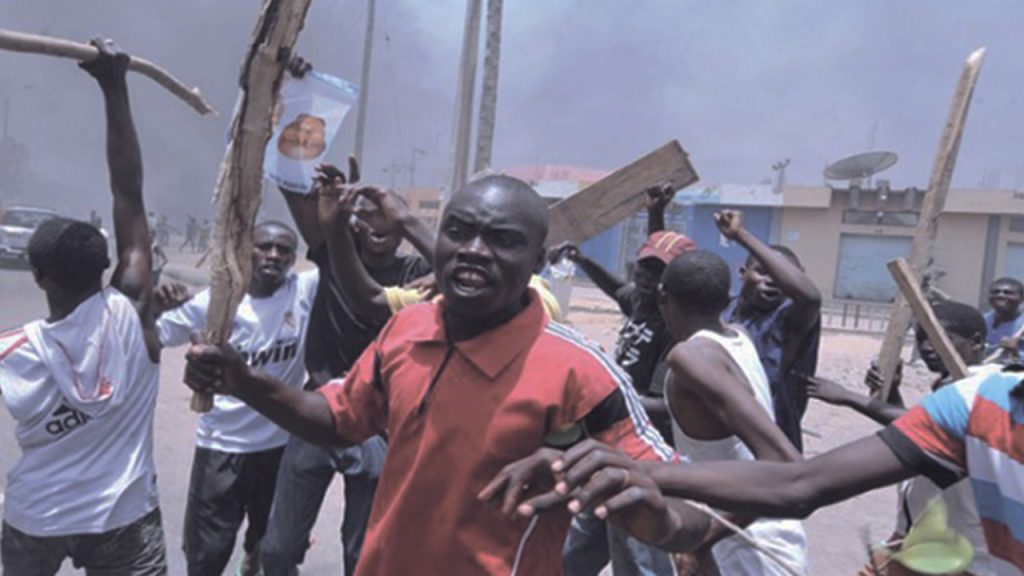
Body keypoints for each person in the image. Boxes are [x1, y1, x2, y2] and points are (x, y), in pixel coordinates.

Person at [182, 174, 708, 575]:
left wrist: (664, 521)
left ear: (537, 259)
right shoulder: (407, 329)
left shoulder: (580, 370)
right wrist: (243, 381)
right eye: (457, 232)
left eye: (501, 239)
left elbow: (682, 496)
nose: (473, 249)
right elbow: (337, 418)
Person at [510, 359, 1024, 575]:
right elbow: (801, 483)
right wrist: (641, 470)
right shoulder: (980, 404)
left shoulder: (693, 357)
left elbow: (786, 466)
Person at [0, 39, 167, 575]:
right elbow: (128, 192)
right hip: (124, 518)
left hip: (35, 519)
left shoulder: (12, 352)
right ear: (106, 267)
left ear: (38, 277)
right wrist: (114, 87)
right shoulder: (132, 309)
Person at [261, 159, 431, 574]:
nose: (377, 224)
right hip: (320, 407)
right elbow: (298, 198)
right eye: (366, 215)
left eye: (387, 216)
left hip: (381, 421)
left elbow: (451, 262)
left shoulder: (420, 273)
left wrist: (410, 222)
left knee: (363, 554)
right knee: (278, 549)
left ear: (402, 227)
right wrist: (300, 161)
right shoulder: (336, 252)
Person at [156, 221, 317, 576]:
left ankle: (253, 558)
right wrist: (154, 307)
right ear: (246, 251)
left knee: (275, 550)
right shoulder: (213, 303)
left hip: (279, 448)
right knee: (207, 556)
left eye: (284, 250)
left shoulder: (302, 291)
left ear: (293, 259)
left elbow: (342, 255)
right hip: (222, 446)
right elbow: (154, 338)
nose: (273, 255)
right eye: (264, 247)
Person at [545, 185, 690, 576]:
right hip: (608, 449)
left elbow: (666, 408)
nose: (646, 278)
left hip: (641, 457)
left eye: (657, 274)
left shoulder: (672, 329)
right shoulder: (641, 304)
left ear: (673, 285)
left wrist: (602, 397)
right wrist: (583, 259)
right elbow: (616, 286)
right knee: (576, 552)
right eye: (643, 268)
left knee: (639, 558)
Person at [800, 301, 999, 576]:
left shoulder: (986, 387)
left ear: (975, 342)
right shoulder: (950, 384)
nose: (927, 347)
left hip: (958, 552)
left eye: (939, 339)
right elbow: (915, 432)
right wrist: (891, 391)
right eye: (921, 339)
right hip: (917, 536)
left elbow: (932, 429)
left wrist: (848, 397)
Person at [658, 250, 807, 575]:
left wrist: (700, 543)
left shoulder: (690, 357)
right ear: (727, 299)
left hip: (748, 546)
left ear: (663, 298)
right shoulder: (739, 336)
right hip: (762, 533)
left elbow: (782, 462)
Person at [719, 209, 822, 451]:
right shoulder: (723, 310)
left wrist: (740, 235)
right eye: (763, 271)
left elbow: (810, 299)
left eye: (782, 275)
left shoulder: (791, 319)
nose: (773, 280)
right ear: (743, 273)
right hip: (724, 438)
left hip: (773, 446)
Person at [983, 276, 1023, 363]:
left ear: (1021, 298)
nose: (1000, 295)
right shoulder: (981, 321)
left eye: (1008, 293)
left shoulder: (1021, 326)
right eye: (995, 292)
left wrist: (1015, 353)